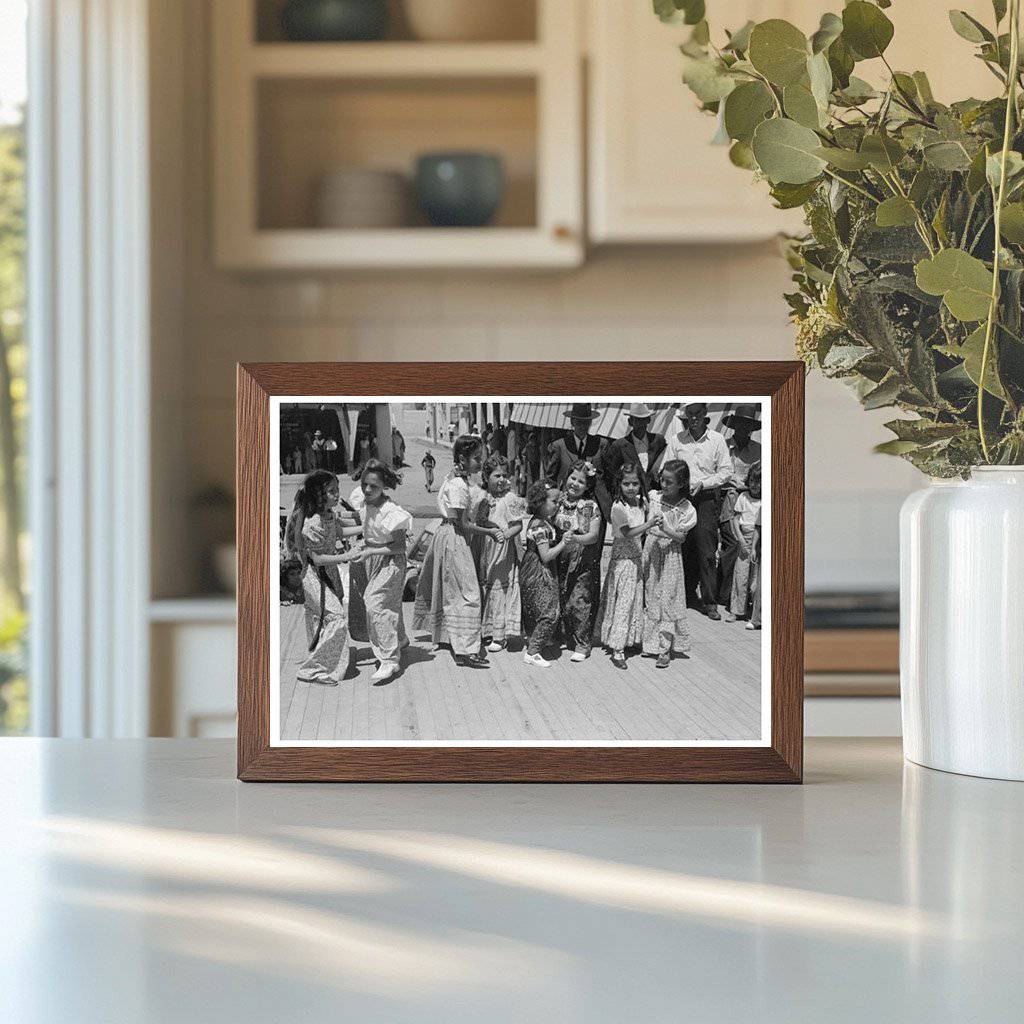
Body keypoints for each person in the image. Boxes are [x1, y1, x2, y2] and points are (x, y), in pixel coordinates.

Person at [413, 435, 500, 667]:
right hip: (455, 537)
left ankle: (447, 636)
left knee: (449, 588)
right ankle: (466, 650)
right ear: (462, 459)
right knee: (468, 592)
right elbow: (465, 524)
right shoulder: (459, 485)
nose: (480, 462)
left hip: (446, 534)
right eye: (476, 458)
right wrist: (490, 532)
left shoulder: (451, 477)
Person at [290, 470, 362, 686]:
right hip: (314, 577)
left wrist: (369, 528)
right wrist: (346, 556)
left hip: (328, 574)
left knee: (319, 618)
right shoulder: (312, 523)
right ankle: (312, 670)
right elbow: (317, 558)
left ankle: (321, 659)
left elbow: (339, 533)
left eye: (337, 490)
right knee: (337, 618)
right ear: (319, 495)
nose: (337, 495)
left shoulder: (328, 515)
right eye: (331, 491)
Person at [665, 403, 733, 619]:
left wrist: (703, 484)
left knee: (706, 551)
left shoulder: (717, 440)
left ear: (705, 415)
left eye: (697, 414)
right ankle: (684, 595)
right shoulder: (677, 440)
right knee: (682, 547)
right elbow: (666, 468)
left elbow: (726, 472)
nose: (693, 418)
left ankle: (710, 601)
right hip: (681, 498)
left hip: (705, 499)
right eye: (690, 414)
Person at [594, 463, 662, 669]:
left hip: (636, 559)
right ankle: (617, 648)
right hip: (623, 561)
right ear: (619, 485)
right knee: (623, 602)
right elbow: (626, 533)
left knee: (634, 601)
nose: (631, 488)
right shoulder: (618, 507)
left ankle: (629, 639)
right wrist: (649, 525)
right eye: (626, 484)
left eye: (635, 483)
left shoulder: (641, 502)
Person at [353, 459, 413, 683]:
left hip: (391, 562)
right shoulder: (365, 502)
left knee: (375, 603)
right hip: (374, 559)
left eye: (374, 486)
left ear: (384, 486)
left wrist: (370, 550)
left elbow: (399, 546)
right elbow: (365, 523)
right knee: (391, 603)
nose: (368, 490)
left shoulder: (392, 512)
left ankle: (389, 660)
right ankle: (401, 638)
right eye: (365, 484)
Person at [642, 460, 697, 668]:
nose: (664, 485)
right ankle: (649, 644)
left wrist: (665, 528)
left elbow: (681, 538)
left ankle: (665, 648)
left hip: (670, 555)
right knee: (651, 595)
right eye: (662, 480)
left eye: (669, 482)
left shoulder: (686, 509)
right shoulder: (654, 497)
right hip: (651, 549)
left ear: (681, 484)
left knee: (668, 599)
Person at [520, 481, 578, 668]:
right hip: (538, 571)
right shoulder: (539, 526)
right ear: (540, 502)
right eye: (554, 501)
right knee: (549, 612)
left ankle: (536, 640)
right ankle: (533, 651)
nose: (557, 505)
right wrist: (564, 542)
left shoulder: (543, 521)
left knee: (541, 608)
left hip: (538, 569)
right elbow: (546, 555)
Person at [554, 459, 603, 662]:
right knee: (560, 596)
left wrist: (574, 538)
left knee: (579, 600)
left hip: (581, 559)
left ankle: (583, 643)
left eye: (581, 481)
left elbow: (593, 536)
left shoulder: (590, 506)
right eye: (572, 478)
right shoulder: (558, 500)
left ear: (587, 485)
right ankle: (561, 636)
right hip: (559, 556)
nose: (575, 483)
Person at [476, 454, 524, 653]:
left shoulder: (510, 498)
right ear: (486, 477)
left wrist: (505, 535)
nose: (502, 479)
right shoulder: (482, 497)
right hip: (485, 545)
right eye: (497, 475)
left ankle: (500, 634)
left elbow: (518, 525)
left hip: (503, 549)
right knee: (485, 587)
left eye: (505, 475)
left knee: (499, 588)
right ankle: (485, 630)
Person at [546, 403, 612, 524]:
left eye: (586, 423)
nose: (582, 426)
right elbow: (551, 479)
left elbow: (609, 476)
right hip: (568, 505)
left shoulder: (601, 444)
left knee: (594, 540)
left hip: (597, 504)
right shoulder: (559, 446)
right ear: (572, 422)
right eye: (579, 422)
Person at [603, 403, 667, 497]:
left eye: (643, 420)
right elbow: (611, 476)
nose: (640, 424)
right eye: (636, 420)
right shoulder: (619, 445)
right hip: (630, 499)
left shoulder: (658, 441)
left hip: (656, 498)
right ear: (630, 422)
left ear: (648, 420)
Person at [726, 461, 762, 623]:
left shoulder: (765, 501)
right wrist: (740, 539)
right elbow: (735, 519)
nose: (755, 485)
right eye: (753, 481)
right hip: (744, 539)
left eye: (759, 482)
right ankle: (736, 610)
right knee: (740, 575)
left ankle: (754, 612)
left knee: (755, 578)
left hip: (759, 539)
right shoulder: (743, 497)